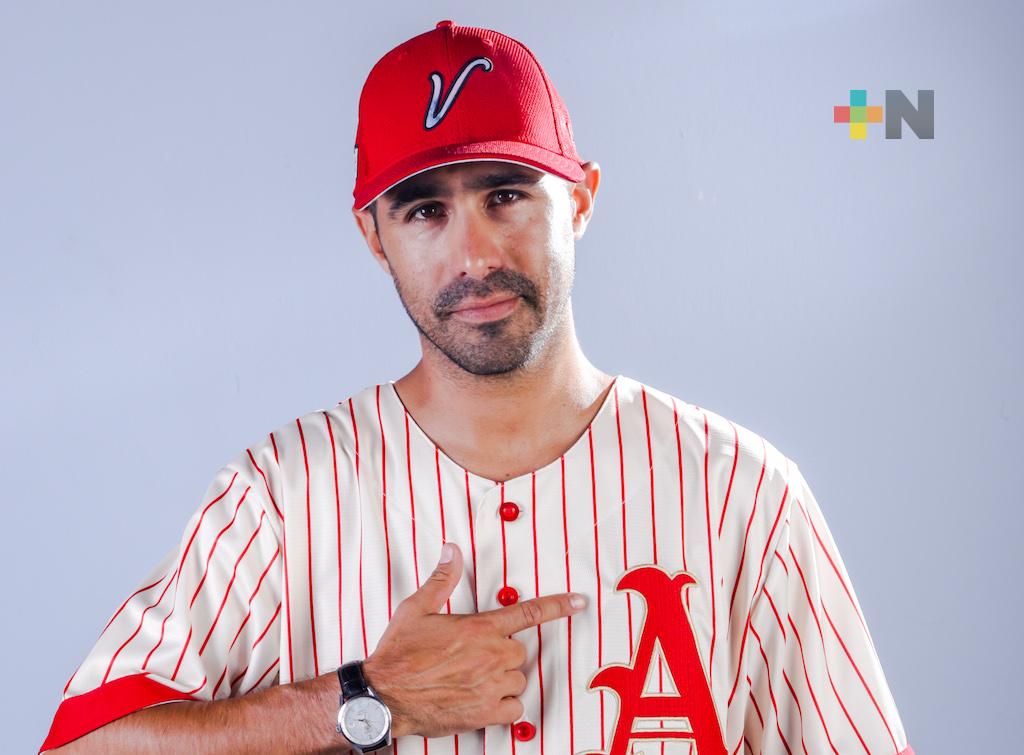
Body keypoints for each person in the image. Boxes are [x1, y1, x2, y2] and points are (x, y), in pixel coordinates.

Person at [41, 19, 914, 755]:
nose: (475, 255)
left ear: (580, 201)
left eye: (506, 195)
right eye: (426, 210)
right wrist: (364, 697)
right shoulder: (282, 495)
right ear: (374, 236)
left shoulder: (744, 494)